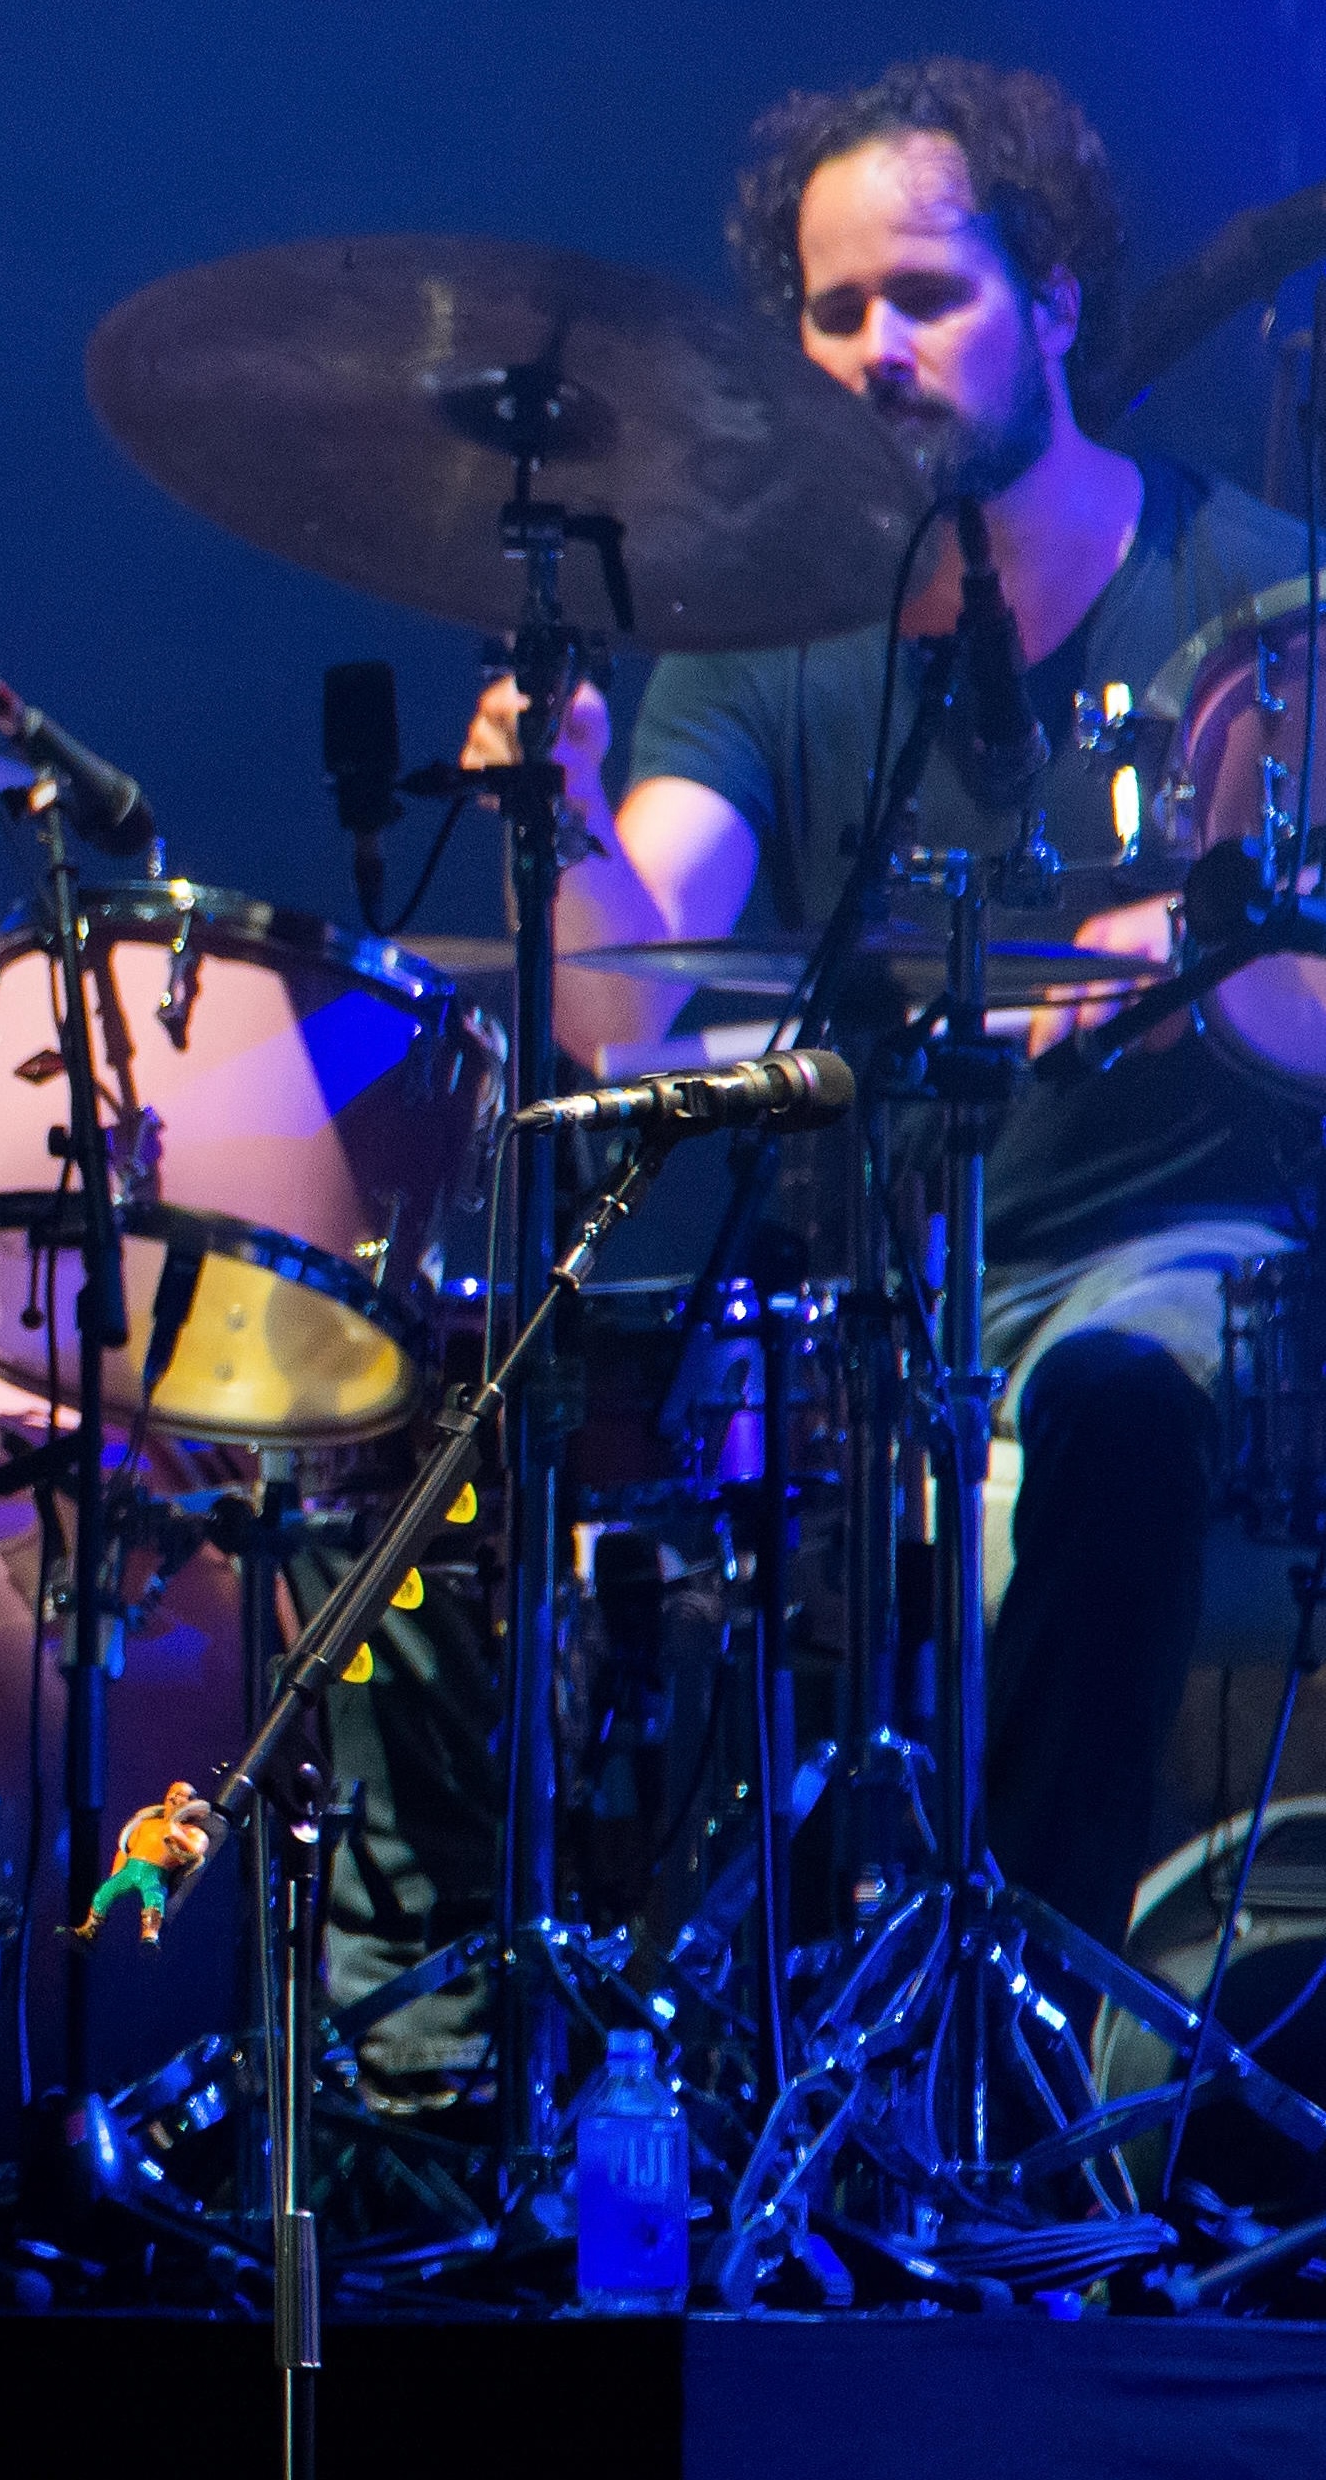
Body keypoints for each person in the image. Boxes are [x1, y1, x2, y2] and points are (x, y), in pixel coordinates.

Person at [477, 60, 1318, 1944]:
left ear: (1057, 304)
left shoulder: (1267, 596)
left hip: (1177, 1258)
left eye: (925, 296)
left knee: (1110, 1404)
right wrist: (572, 814)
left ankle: (1019, 2041)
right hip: (875, 1278)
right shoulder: (767, 634)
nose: (871, 348)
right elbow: (626, 1003)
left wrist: (1219, 968)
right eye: (830, 308)